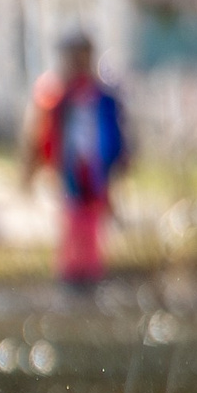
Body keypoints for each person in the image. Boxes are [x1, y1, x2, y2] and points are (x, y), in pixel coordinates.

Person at [28, 28, 130, 289]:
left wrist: (120, 158)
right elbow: (43, 135)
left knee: (93, 217)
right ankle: (72, 273)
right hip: (70, 169)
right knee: (72, 218)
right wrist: (37, 163)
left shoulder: (103, 97)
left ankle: (90, 272)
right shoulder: (57, 98)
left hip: (96, 168)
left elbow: (115, 132)